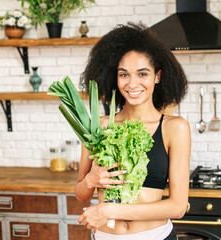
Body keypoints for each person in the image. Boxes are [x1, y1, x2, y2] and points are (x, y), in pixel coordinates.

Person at [75, 22, 191, 240]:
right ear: (115, 77)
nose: (132, 83)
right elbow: (81, 195)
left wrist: (110, 211)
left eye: (142, 74)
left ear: (157, 76)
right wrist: (91, 179)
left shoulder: (174, 128)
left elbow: (178, 207)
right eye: (124, 74)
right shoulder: (99, 126)